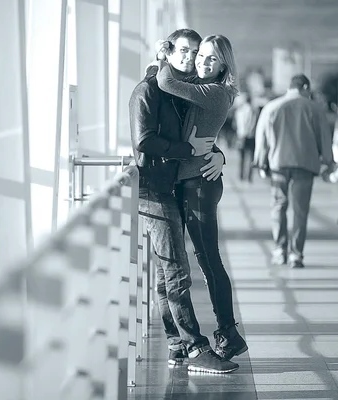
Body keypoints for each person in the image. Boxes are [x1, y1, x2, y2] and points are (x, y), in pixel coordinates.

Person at [129, 28, 238, 374]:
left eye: (199, 54)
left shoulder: (184, 91)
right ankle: (192, 347)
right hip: (153, 189)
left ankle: (184, 343)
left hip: (179, 186)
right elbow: (146, 140)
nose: (193, 59)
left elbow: (199, 133)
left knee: (173, 270)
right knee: (174, 270)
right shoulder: (148, 90)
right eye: (187, 52)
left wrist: (217, 154)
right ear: (169, 50)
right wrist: (189, 150)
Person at [152, 34, 248, 363]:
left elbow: (165, 81)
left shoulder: (215, 92)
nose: (202, 62)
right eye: (200, 55)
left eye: (210, 58)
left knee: (210, 262)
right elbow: (197, 133)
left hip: (200, 186)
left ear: (224, 66)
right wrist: (219, 152)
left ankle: (229, 333)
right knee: (205, 262)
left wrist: (163, 55)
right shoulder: (202, 86)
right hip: (194, 180)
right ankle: (219, 333)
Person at [254, 74, 335, 268]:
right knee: (300, 211)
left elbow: (261, 137)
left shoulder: (271, 107)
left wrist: (261, 163)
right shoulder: (315, 108)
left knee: (278, 207)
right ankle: (296, 255)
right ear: (305, 87)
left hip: (278, 164)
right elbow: (324, 138)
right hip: (305, 165)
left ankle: (279, 250)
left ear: (290, 88)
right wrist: (329, 163)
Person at [233, 94, 259, 182]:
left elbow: (235, 124)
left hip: (240, 135)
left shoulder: (239, 110)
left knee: (242, 157)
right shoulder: (252, 110)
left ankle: (241, 176)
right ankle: (249, 177)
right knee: (251, 157)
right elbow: (252, 123)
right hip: (250, 136)